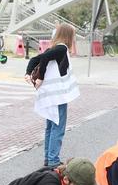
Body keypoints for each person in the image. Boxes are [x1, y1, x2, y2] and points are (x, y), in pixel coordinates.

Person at [25, 23, 80, 167]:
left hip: (50, 95)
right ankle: (53, 161)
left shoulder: (55, 48)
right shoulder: (61, 48)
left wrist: (27, 72)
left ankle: (48, 158)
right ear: (68, 35)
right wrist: (40, 76)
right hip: (57, 95)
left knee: (50, 126)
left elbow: (34, 59)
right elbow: (43, 59)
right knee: (58, 127)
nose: (74, 37)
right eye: (73, 35)